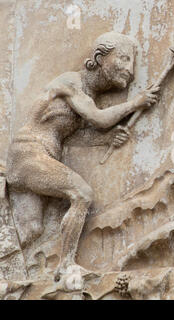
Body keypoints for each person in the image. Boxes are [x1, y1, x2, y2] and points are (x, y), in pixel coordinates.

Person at [6, 32, 159, 278]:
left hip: (35, 157)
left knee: (30, 230)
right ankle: (66, 265)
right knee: (82, 194)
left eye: (133, 63)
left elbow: (73, 135)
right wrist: (135, 103)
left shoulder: (85, 97)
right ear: (99, 58)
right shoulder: (71, 83)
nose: (130, 70)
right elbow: (98, 119)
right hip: (29, 153)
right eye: (123, 59)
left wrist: (106, 139)